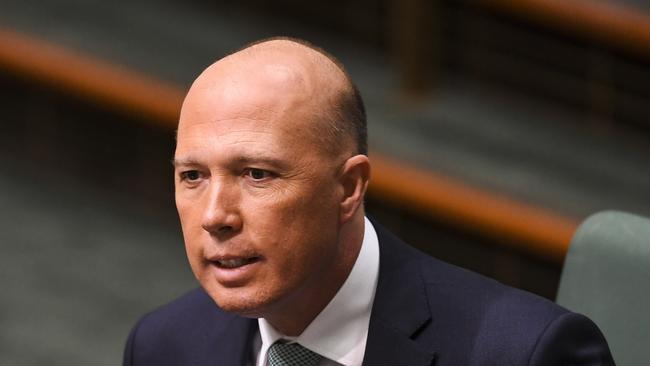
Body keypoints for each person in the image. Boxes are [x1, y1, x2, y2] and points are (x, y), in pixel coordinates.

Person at [123, 37, 614, 366]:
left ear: (349, 188)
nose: (214, 217)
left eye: (256, 175)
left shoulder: (525, 353)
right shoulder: (165, 346)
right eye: (192, 176)